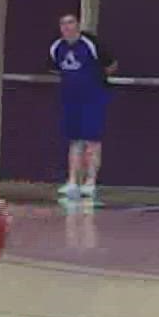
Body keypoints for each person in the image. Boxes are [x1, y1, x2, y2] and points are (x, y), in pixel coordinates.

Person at [49, 13, 115, 203]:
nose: (67, 27)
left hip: (93, 98)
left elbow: (110, 65)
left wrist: (96, 82)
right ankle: (72, 181)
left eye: (71, 23)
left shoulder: (91, 44)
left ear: (77, 25)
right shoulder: (56, 47)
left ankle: (90, 181)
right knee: (75, 141)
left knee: (92, 141)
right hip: (70, 99)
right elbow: (55, 68)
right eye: (63, 24)